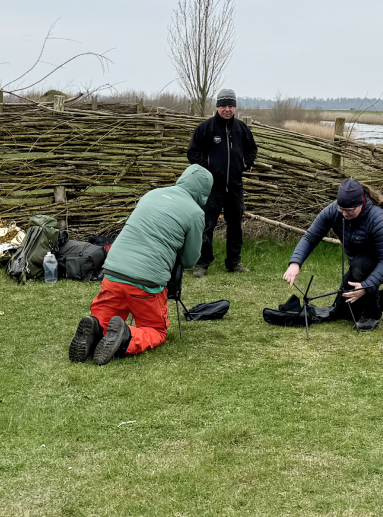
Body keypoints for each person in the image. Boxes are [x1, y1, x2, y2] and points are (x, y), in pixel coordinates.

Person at [69, 164, 211, 365]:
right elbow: (189, 260)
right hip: (146, 282)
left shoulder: (152, 194)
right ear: (204, 193)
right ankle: (126, 337)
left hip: (113, 271)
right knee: (156, 330)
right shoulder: (195, 213)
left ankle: (95, 329)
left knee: (106, 317)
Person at [281, 178, 383, 331]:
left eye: (349, 211)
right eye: (342, 209)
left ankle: (372, 314)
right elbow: (311, 237)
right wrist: (295, 263)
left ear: (361, 203)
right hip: (361, 264)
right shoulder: (333, 210)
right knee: (344, 310)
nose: (344, 214)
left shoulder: (377, 218)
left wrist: (366, 286)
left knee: (360, 268)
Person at [187, 88, 257, 277]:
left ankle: (234, 262)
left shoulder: (241, 129)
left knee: (235, 224)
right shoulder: (206, 128)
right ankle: (202, 264)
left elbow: (252, 150)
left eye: (231, 105)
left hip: (235, 185)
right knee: (207, 225)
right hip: (211, 187)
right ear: (217, 106)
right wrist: (209, 166)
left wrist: (243, 163)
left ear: (234, 107)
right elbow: (192, 153)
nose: (227, 109)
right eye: (224, 105)